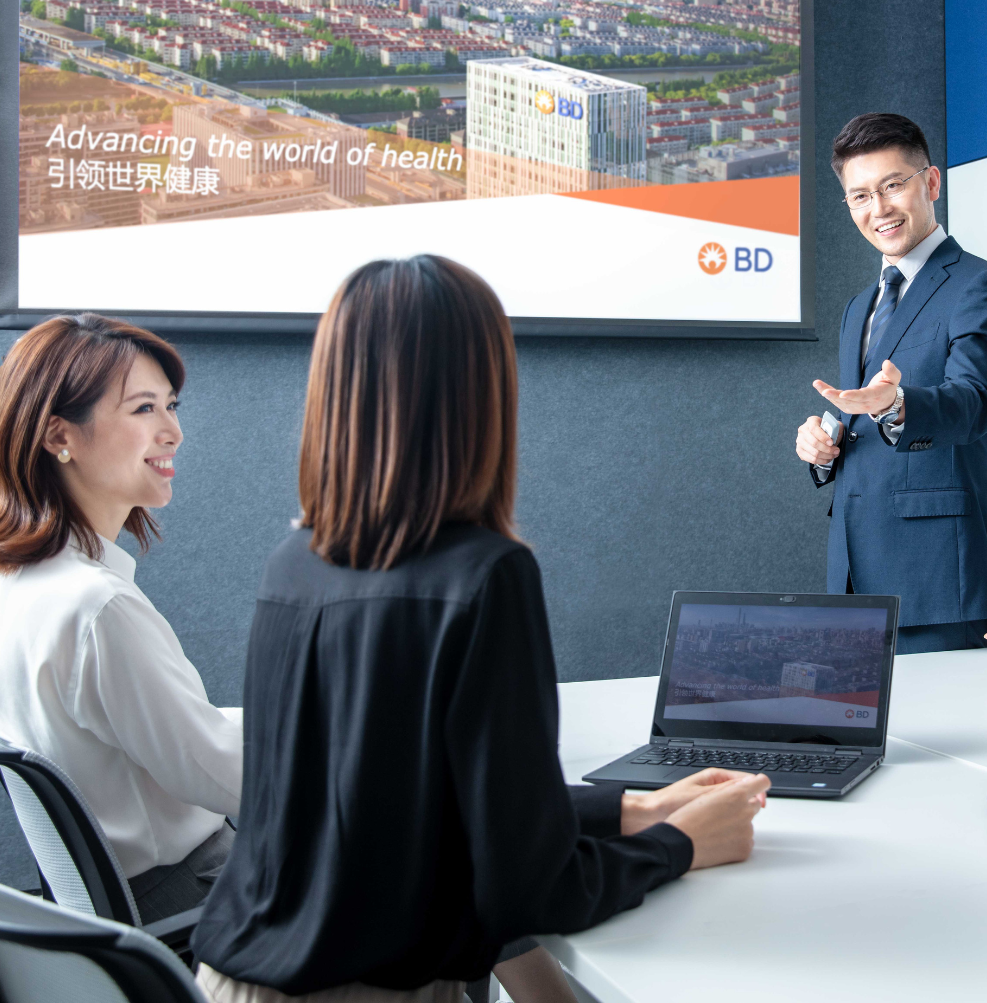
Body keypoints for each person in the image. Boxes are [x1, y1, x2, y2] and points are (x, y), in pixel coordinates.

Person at [194, 256, 771, 1003]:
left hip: (237, 978)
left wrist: (635, 808)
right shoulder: (486, 574)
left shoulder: (293, 566)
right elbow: (533, 893)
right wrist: (682, 845)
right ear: (482, 392)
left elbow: (409, 802)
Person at [0, 315, 241, 922]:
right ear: (61, 435)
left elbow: (170, 734)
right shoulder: (96, 607)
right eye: (142, 410)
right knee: (447, 848)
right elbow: (216, 775)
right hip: (197, 894)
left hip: (111, 906)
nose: (173, 432)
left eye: (170, 406)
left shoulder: (24, 585)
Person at [794, 113, 987, 652]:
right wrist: (821, 446)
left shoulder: (981, 285)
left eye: (893, 185)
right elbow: (855, 409)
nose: (879, 209)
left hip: (935, 573)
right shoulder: (859, 307)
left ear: (932, 182)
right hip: (853, 570)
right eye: (860, 196)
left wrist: (896, 404)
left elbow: (975, 405)